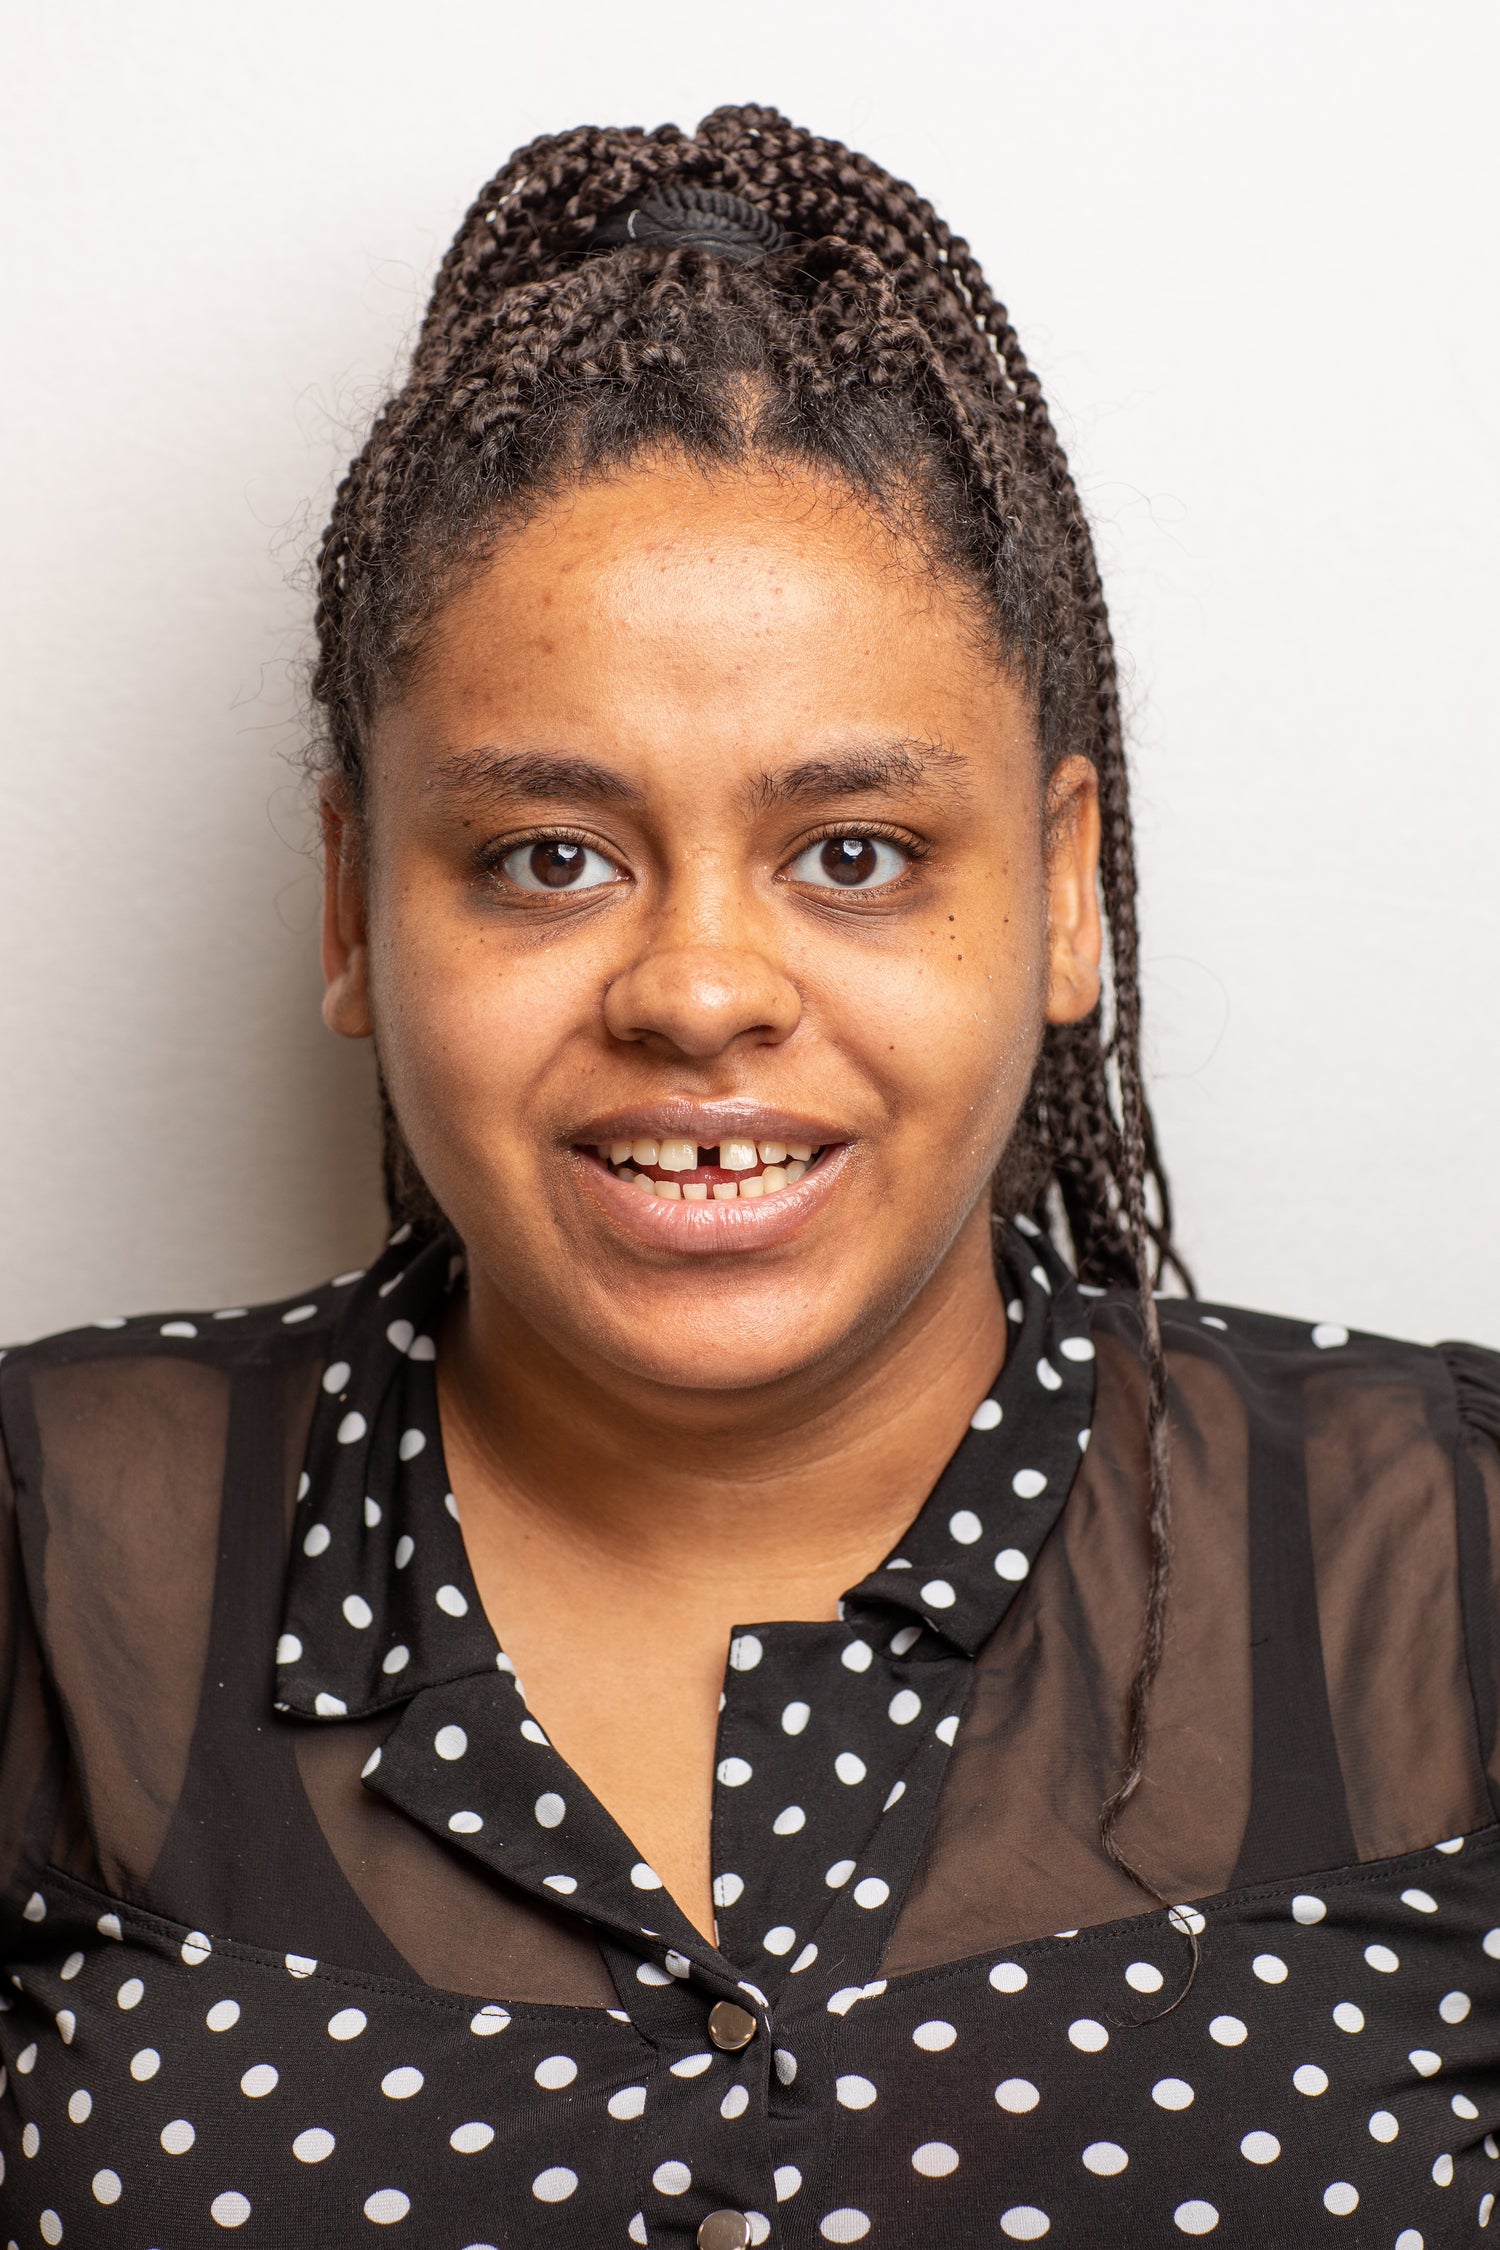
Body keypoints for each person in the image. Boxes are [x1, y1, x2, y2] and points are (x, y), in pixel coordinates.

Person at [2, 104, 1497, 2250]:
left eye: (856, 854)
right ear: (352, 903)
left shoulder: (1448, 1562)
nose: (701, 988)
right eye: (550, 856)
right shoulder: (52, 1561)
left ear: (1067, 893)